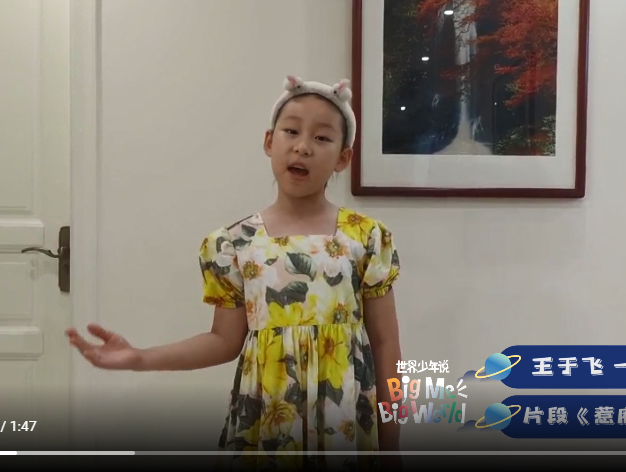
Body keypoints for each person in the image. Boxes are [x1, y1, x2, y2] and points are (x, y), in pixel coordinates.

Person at [66, 76, 403, 471]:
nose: (303, 146)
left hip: (346, 428)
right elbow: (223, 341)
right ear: (269, 141)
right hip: (265, 427)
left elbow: (386, 344)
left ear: (343, 158)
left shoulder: (365, 237)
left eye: (322, 138)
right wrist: (140, 357)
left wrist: (392, 441)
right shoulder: (234, 244)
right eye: (291, 131)